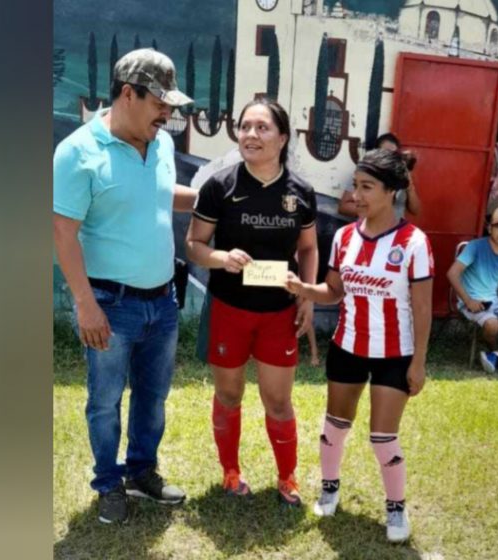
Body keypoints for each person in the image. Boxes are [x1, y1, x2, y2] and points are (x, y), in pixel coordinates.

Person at [53, 48, 196, 524]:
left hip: (164, 301)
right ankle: (108, 483)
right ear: (128, 94)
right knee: (105, 401)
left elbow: (155, 194)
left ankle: (141, 473)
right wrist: (86, 305)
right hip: (111, 304)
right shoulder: (77, 152)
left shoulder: (160, 144)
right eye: (160, 102)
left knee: (153, 397)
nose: (168, 114)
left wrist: (211, 198)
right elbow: (62, 232)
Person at [285, 148, 434, 543]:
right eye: (355, 186)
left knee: (383, 437)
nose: (357, 196)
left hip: (394, 354)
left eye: (367, 187)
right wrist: (304, 289)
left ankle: (397, 509)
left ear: (392, 191)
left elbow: (422, 310)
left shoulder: (414, 242)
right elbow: (333, 291)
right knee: (335, 426)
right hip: (348, 347)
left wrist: (418, 362)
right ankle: (329, 488)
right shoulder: (344, 237)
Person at [185, 98, 318, 506]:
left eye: (262, 128)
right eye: (245, 127)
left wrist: (308, 295)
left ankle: (287, 478)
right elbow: (194, 244)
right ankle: (230, 472)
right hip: (229, 309)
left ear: (281, 138)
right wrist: (221, 258)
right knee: (229, 395)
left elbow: (309, 248)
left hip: (279, 313)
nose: (250, 135)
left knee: (278, 400)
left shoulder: (301, 192)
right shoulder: (218, 187)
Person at [446, 206, 498, 374]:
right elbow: (452, 273)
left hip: (494, 302)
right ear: (490, 228)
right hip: (472, 301)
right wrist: (468, 301)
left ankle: (497, 354)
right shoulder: (475, 246)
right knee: (492, 325)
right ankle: (497, 354)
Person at [337, 133, 422, 219]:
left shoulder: (401, 173)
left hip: (397, 229)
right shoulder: (364, 174)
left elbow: (415, 210)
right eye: (384, 152)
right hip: (370, 229)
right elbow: (343, 207)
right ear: (376, 152)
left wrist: (410, 188)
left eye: (392, 153)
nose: (387, 157)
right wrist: (373, 210)